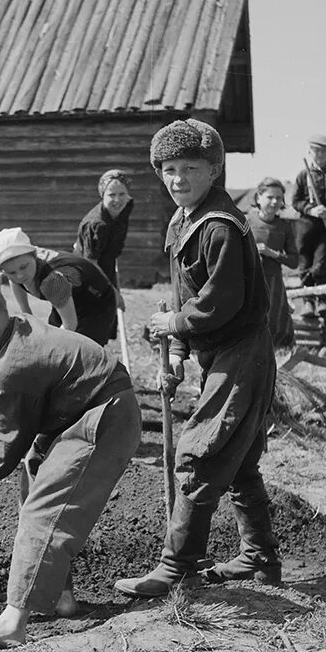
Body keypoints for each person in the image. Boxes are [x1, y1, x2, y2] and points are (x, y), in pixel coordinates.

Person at [0, 279, 141, 647]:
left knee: (44, 511)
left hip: (104, 417)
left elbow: (2, 455)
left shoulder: (12, 368)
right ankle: (61, 599)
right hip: (82, 409)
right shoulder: (14, 328)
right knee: (35, 479)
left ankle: (12, 621)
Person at [114, 119, 278, 598]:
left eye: (190, 168)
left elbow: (217, 303)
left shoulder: (219, 226)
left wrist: (178, 327)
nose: (177, 178)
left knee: (199, 451)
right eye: (167, 169)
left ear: (214, 170)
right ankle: (258, 557)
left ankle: (178, 565)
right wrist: (180, 352)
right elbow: (182, 295)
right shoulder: (183, 220)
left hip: (243, 352)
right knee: (241, 459)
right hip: (217, 350)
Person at [0, 228, 117, 346]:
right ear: (3, 271)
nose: (19, 276)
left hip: (95, 302)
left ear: (34, 255)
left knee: (82, 349)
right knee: (53, 332)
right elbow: (15, 282)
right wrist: (27, 312)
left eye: (24, 267)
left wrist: (51, 346)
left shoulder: (52, 281)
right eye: (11, 273)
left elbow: (70, 325)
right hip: (67, 295)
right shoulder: (20, 264)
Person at [291, 135, 326, 320]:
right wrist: (311, 210)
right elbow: (295, 201)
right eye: (317, 150)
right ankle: (308, 302)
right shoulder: (302, 175)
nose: (321, 154)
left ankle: (323, 301)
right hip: (306, 227)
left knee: (323, 261)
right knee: (305, 263)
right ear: (310, 151)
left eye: (325, 151)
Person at [247, 177, 298, 348]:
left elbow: (294, 261)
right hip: (249, 281)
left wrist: (272, 254)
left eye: (279, 198)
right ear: (258, 198)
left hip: (274, 284)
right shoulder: (246, 222)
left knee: (276, 327)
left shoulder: (285, 226)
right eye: (270, 197)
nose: (275, 201)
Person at [75, 169, 134, 288]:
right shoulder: (97, 225)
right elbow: (91, 264)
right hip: (86, 277)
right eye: (112, 195)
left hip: (107, 266)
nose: (117, 200)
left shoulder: (126, 206)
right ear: (103, 195)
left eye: (122, 194)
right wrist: (113, 292)